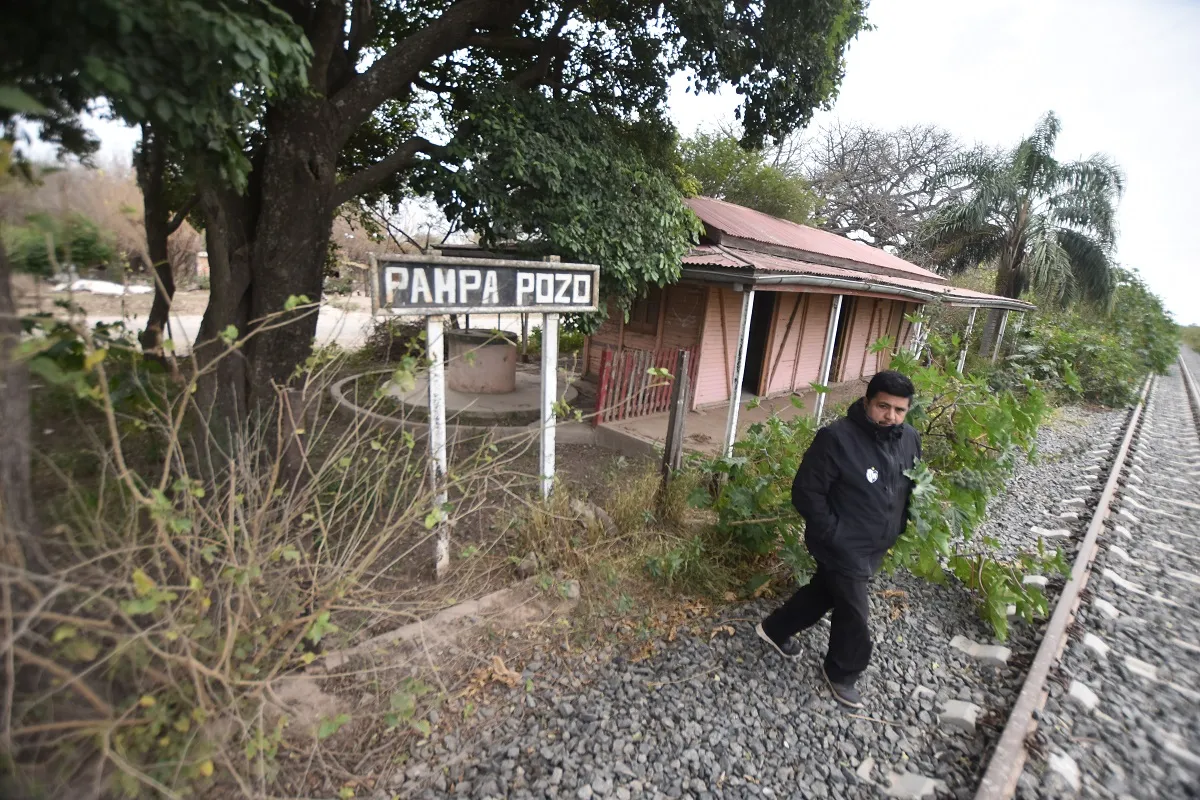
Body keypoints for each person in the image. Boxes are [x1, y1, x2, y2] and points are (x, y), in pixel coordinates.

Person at [756, 370, 921, 709]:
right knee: (854, 610)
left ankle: (774, 629)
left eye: (899, 410)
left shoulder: (909, 439)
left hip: (876, 543)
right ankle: (843, 672)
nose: (890, 416)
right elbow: (806, 492)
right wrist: (835, 533)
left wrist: (903, 521)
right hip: (840, 544)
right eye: (883, 406)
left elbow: (909, 483)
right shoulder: (836, 438)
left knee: (824, 593)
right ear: (867, 402)